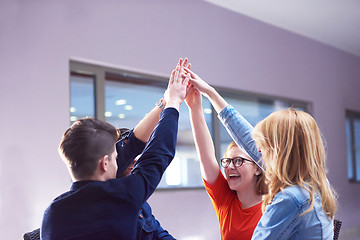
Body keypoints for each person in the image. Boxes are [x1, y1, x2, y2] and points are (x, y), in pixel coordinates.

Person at [41, 59, 189, 240]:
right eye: (115, 156)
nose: (121, 158)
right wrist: (174, 102)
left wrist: (165, 102)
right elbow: (157, 155)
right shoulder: (121, 196)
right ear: (104, 163)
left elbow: (133, 144)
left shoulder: (52, 214)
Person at [185, 67, 337, 239]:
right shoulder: (314, 185)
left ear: (280, 150)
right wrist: (209, 94)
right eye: (226, 161)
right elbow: (246, 139)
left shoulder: (290, 199)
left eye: (265, 144)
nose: (258, 150)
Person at [185, 85, 267, 240]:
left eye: (238, 161)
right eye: (227, 161)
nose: (229, 167)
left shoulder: (274, 206)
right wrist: (194, 107)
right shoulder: (225, 200)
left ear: (258, 168)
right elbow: (205, 155)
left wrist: (210, 92)